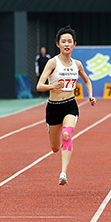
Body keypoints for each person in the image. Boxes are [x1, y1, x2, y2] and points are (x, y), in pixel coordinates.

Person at [36, 26, 96, 185]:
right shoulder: (52, 62)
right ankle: (54, 139)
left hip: (70, 104)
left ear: (74, 44)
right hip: (53, 107)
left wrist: (90, 95)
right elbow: (39, 86)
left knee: (67, 135)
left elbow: (87, 80)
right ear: (58, 44)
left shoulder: (77, 64)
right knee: (55, 147)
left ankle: (63, 173)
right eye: (64, 41)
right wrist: (53, 86)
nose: (67, 44)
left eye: (70, 41)